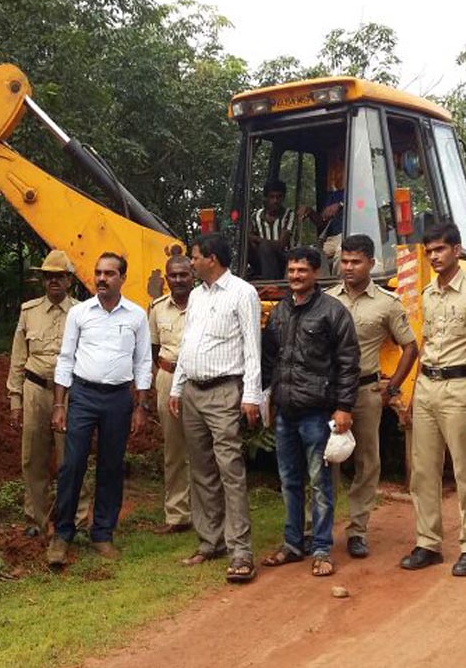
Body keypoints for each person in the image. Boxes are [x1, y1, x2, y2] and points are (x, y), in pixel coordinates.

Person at [168, 234, 263, 583]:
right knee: (201, 469)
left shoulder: (242, 293)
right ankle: (211, 542)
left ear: (211, 258)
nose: (190, 264)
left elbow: (253, 349)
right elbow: (187, 344)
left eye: (194, 258)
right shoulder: (195, 295)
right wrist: (178, 388)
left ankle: (241, 551)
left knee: (230, 470)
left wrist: (251, 396)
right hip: (193, 391)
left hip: (225, 391)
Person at [47, 252, 152, 565]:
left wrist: (141, 406)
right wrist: (59, 403)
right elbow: (66, 359)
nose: (102, 278)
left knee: (111, 466)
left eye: (109, 273)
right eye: (98, 272)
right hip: (83, 396)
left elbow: (143, 361)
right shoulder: (80, 313)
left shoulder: (136, 316)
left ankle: (103, 534)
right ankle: (62, 534)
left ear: (122, 278)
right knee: (72, 465)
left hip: (119, 399)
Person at [261, 246, 359, 578]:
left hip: (318, 413)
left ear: (316, 273)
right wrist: (265, 398)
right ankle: (292, 545)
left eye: (302, 270)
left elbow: (348, 362)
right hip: (286, 412)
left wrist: (344, 407)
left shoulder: (333, 311)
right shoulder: (279, 312)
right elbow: (269, 358)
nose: (295, 276)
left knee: (319, 483)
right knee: (289, 481)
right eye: (291, 270)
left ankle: (321, 548)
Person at [401, 222, 466, 577]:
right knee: (423, 470)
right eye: (429, 251)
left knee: (465, 470)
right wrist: (412, 392)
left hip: (459, 387)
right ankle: (428, 543)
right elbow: (426, 343)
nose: (434, 256)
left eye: (440, 249)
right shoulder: (427, 294)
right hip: (427, 385)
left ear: (457, 250)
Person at [329, 234, 418, 559]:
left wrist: (392, 386)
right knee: (327, 459)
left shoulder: (387, 303)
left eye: (356, 262)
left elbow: (410, 347)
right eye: (345, 261)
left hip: (366, 391)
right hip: (329, 392)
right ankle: (320, 528)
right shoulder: (326, 299)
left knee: (367, 461)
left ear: (370, 263)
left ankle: (357, 530)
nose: (349, 267)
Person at [7, 249, 91, 539]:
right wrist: (15, 400)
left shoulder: (83, 312)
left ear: (69, 280)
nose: (53, 281)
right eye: (48, 276)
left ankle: (77, 520)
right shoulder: (28, 311)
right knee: (33, 457)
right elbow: (18, 358)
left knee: (72, 456)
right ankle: (36, 519)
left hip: (69, 392)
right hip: (34, 389)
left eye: (59, 276)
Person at [148, 255, 195, 533]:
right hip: (167, 377)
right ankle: (178, 515)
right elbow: (152, 350)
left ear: (193, 276)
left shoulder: (205, 304)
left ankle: (207, 513)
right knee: (174, 448)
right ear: (166, 278)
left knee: (205, 448)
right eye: (173, 275)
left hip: (200, 379)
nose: (178, 280)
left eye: (183, 275)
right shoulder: (157, 308)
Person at [248, 181, 315, 279]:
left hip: (284, 259)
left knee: (265, 247)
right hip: (260, 261)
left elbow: (281, 244)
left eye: (279, 197)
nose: (275, 201)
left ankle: (270, 284)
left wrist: (257, 239)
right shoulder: (256, 216)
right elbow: (249, 240)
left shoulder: (289, 215)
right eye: (272, 197)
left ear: (283, 198)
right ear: (266, 198)